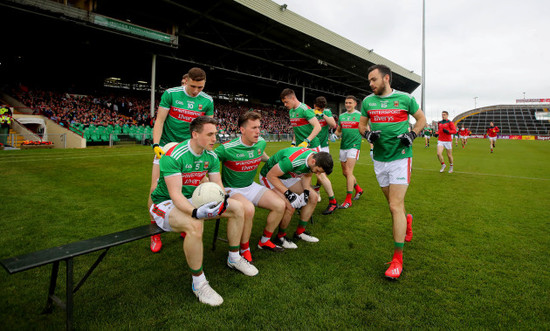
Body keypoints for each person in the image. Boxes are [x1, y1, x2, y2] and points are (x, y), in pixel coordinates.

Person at [149, 116, 258, 307]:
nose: (215, 138)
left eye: (215, 134)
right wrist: (195, 212)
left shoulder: (211, 156)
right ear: (195, 134)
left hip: (192, 198)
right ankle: (199, 283)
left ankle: (234, 258)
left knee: (238, 208)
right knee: (194, 225)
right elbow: (175, 195)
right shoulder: (174, 155)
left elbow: (217, 184)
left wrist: (223, 202)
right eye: (210, 134)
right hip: (164, 204)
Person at [359, 64, 426, 280]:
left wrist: (413, 134)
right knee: (393, 206)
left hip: (400, 158)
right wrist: (367, 136)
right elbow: (362, 126)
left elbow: (421, 120)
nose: (370, 84)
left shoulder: (405, 98)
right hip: (379, 159)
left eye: (373, 80)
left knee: (394, 205)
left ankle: (398, 260)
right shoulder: (368, 102)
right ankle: (407, 220)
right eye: (369, 81)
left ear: (386, 78)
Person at [148, 68, 214, 253]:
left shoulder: (207, 100)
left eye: (200, 87)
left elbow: (206, 128)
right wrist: (156, 145)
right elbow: (160, 120)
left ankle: (186, 220)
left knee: (194, 186)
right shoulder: (171, 94)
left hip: (190, 150)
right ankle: (155, 231)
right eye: (192, 86)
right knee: (155, 188)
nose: (195, 91)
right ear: (186, 81)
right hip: (167, 148)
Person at [214, 111, 286, 262]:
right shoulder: (226, 148)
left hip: (250, 186)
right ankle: (244, 248)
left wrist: (274, 162)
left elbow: (261, 154)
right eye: (253, 128)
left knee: (280, 205)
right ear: (242, 130)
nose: (258, 131)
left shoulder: (260, 142)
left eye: (259, 127)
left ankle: (264, 240)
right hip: (231, 189)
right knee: (249, 209)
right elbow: (209, 162)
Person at [259, 147, 333, 246]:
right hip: (269, 176)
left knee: (313, 197)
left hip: (287, 176)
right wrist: (288, 193)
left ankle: (300, 232)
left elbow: (307, 175)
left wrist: (306, 192)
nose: (318, 174)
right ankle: (280, 237)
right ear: (313, 161)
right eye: (318, 170)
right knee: (290, 206)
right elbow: (271, 175)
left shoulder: (314, 157)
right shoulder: (292, 161)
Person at [335, 95, 364, 209]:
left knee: (349, 172)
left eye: (350, 103)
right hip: (343, 146)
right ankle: (358, 189)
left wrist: (372, 147)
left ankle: (348, 200)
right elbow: (338, 131)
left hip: (354, 146)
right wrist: (334, 135)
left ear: (355, 104)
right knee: (345, 173)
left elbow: (366, 129)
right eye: (346, 103)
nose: (347, 105)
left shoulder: (360, 116)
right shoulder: (342, 116)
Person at [312, 96, 339, 215]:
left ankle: (317, 191)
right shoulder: (310, 112)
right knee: (312, 172)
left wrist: (322, 114)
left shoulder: (326, 112)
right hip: (312, 145)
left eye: (322, 109)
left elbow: (333, 124)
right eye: (318, 109)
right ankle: (314, 192)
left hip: (323, 145)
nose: (320, 110)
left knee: (321, 173)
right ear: (314, 106)